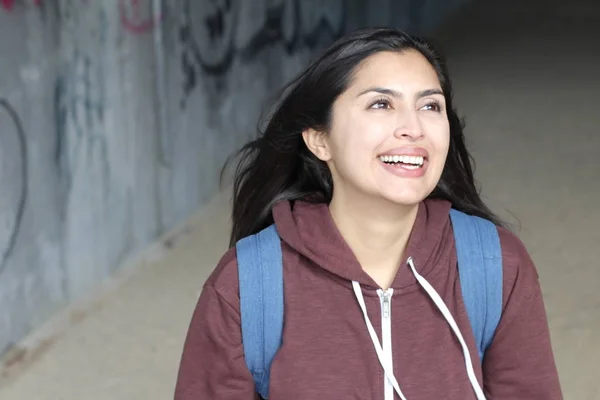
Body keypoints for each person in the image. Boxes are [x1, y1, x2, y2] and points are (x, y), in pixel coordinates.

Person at [174, 27, 563, 399]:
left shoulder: (495, 266)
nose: (413, 128)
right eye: (381, 104)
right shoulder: (248, 286)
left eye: (430, 105)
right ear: (319, 139)